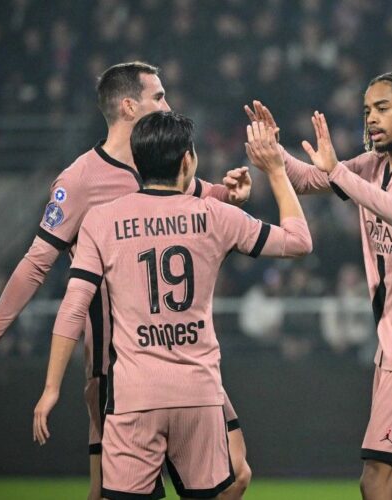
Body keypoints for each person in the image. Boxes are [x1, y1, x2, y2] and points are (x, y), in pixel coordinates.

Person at [0, 62, 253, 500]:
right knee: (108, 492)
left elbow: (207, 200)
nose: (168, 105)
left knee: (236, 474)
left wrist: (233, 192)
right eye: (159, 97)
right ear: (130, 106)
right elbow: (36, 263)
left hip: (184, 360)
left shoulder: (163, 167)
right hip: (117, 365)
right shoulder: (78, 181)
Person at [32, 111, 311, 499]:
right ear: (187, 161)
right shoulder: (217, 216)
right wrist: (277, 172)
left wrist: (50, 388)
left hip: (134, 397)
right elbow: (299, 242)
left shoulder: (101, 221)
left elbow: (73, 308)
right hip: (198, 395)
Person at [245, 70, 392, 499]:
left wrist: (341, 175)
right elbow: (308, 179)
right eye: (367, 111)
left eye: (383, 108)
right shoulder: (373, 166)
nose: (371, 119)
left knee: (377, 482)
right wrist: (274, 153)